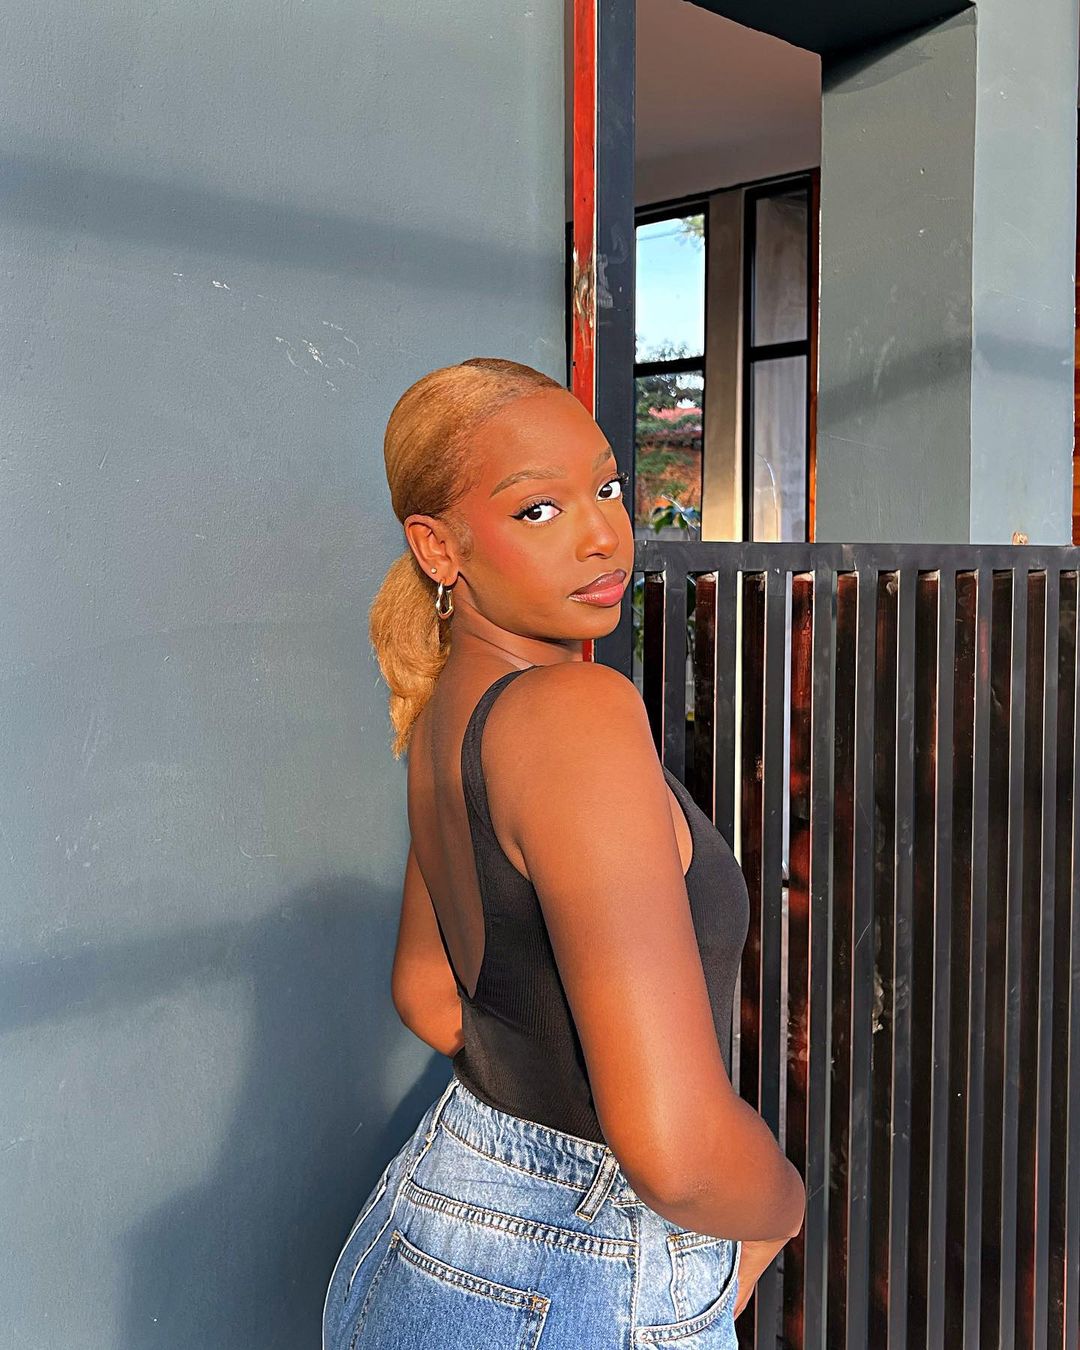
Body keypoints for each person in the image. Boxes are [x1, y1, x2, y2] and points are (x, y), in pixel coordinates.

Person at [322, 357, 805, 1349]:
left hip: (430, 1228)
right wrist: (781, 1206)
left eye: (608, 488)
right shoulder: (573, 714)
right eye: (538, 510)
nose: (602, 534)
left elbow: (427, 992)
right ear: (438, 546)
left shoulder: (450, 706)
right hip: (575, 1272)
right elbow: (676, 1156)